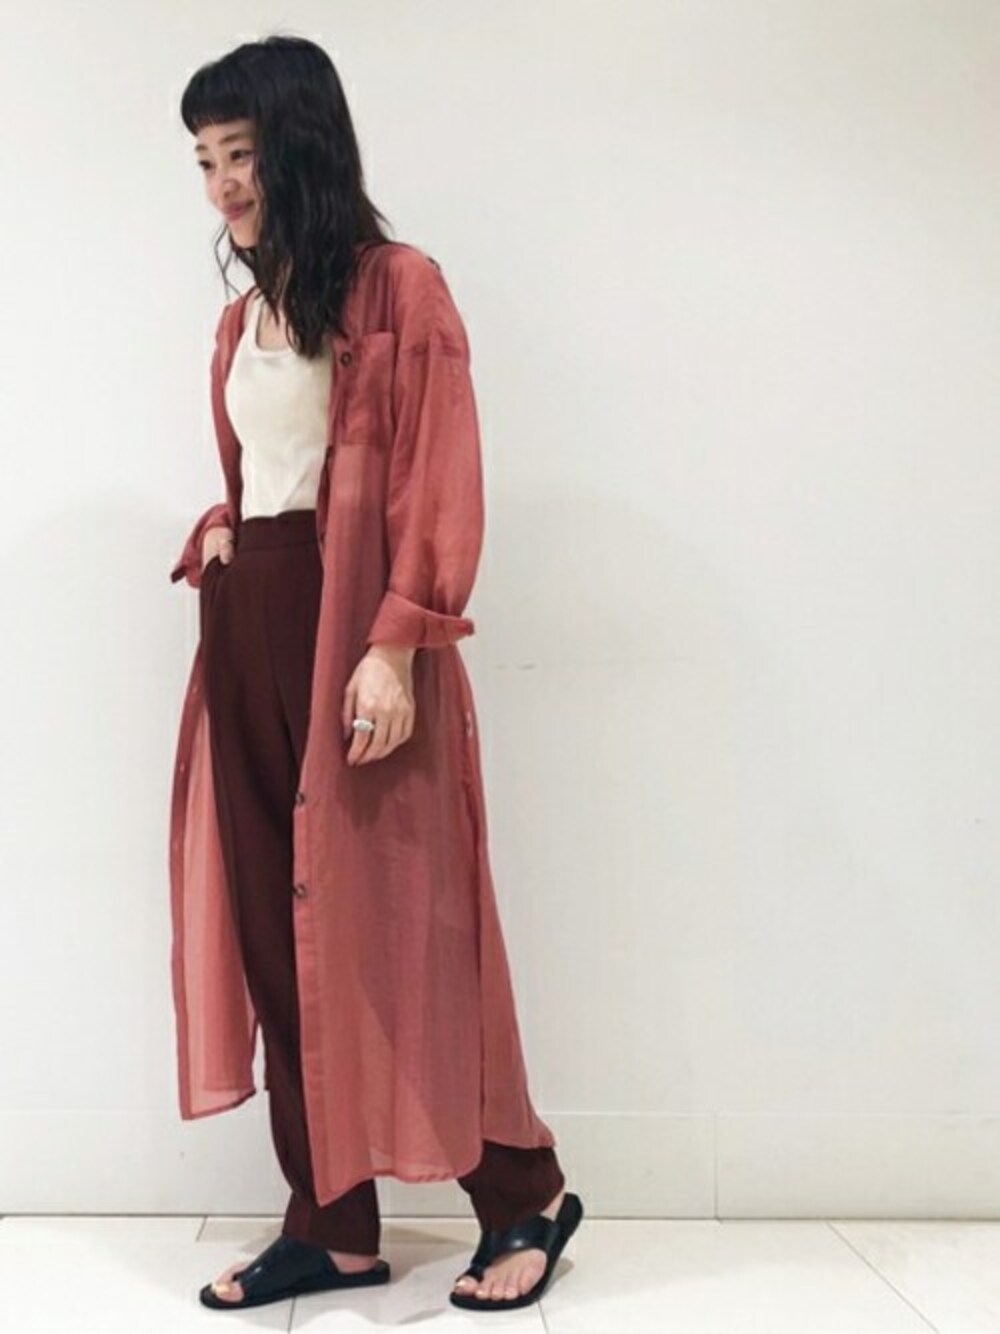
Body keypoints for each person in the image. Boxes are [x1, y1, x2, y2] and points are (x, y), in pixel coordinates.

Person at [170, 34, 584, 1314]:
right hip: (250, 626)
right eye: (203, 160)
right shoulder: (241, 317)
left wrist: (397, 641)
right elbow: (274, 473)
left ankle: (524, 1195)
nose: (222, 184)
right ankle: (332, 1221)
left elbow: (436, 473)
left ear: (299, 144)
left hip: (358, 633)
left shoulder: (402, 290)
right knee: (276, 930)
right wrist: (224, 527)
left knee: (410, 928)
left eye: (241, 153)